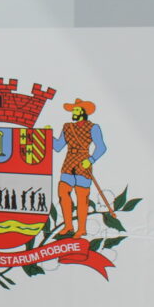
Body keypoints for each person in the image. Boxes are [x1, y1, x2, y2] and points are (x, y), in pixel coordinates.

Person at [53, 98, 106, 238]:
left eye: (76, 110)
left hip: (83, 163)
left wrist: (91, 160)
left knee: (82, 197)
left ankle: (81, 229)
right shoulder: (67, 127)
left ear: (83, 112)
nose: (73, 112)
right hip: (69, 162)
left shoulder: (93, 127)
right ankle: (68, 226)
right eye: (73, 110)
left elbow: (101, 147)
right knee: (63, 192)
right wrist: (48, 136)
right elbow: (58, 146)